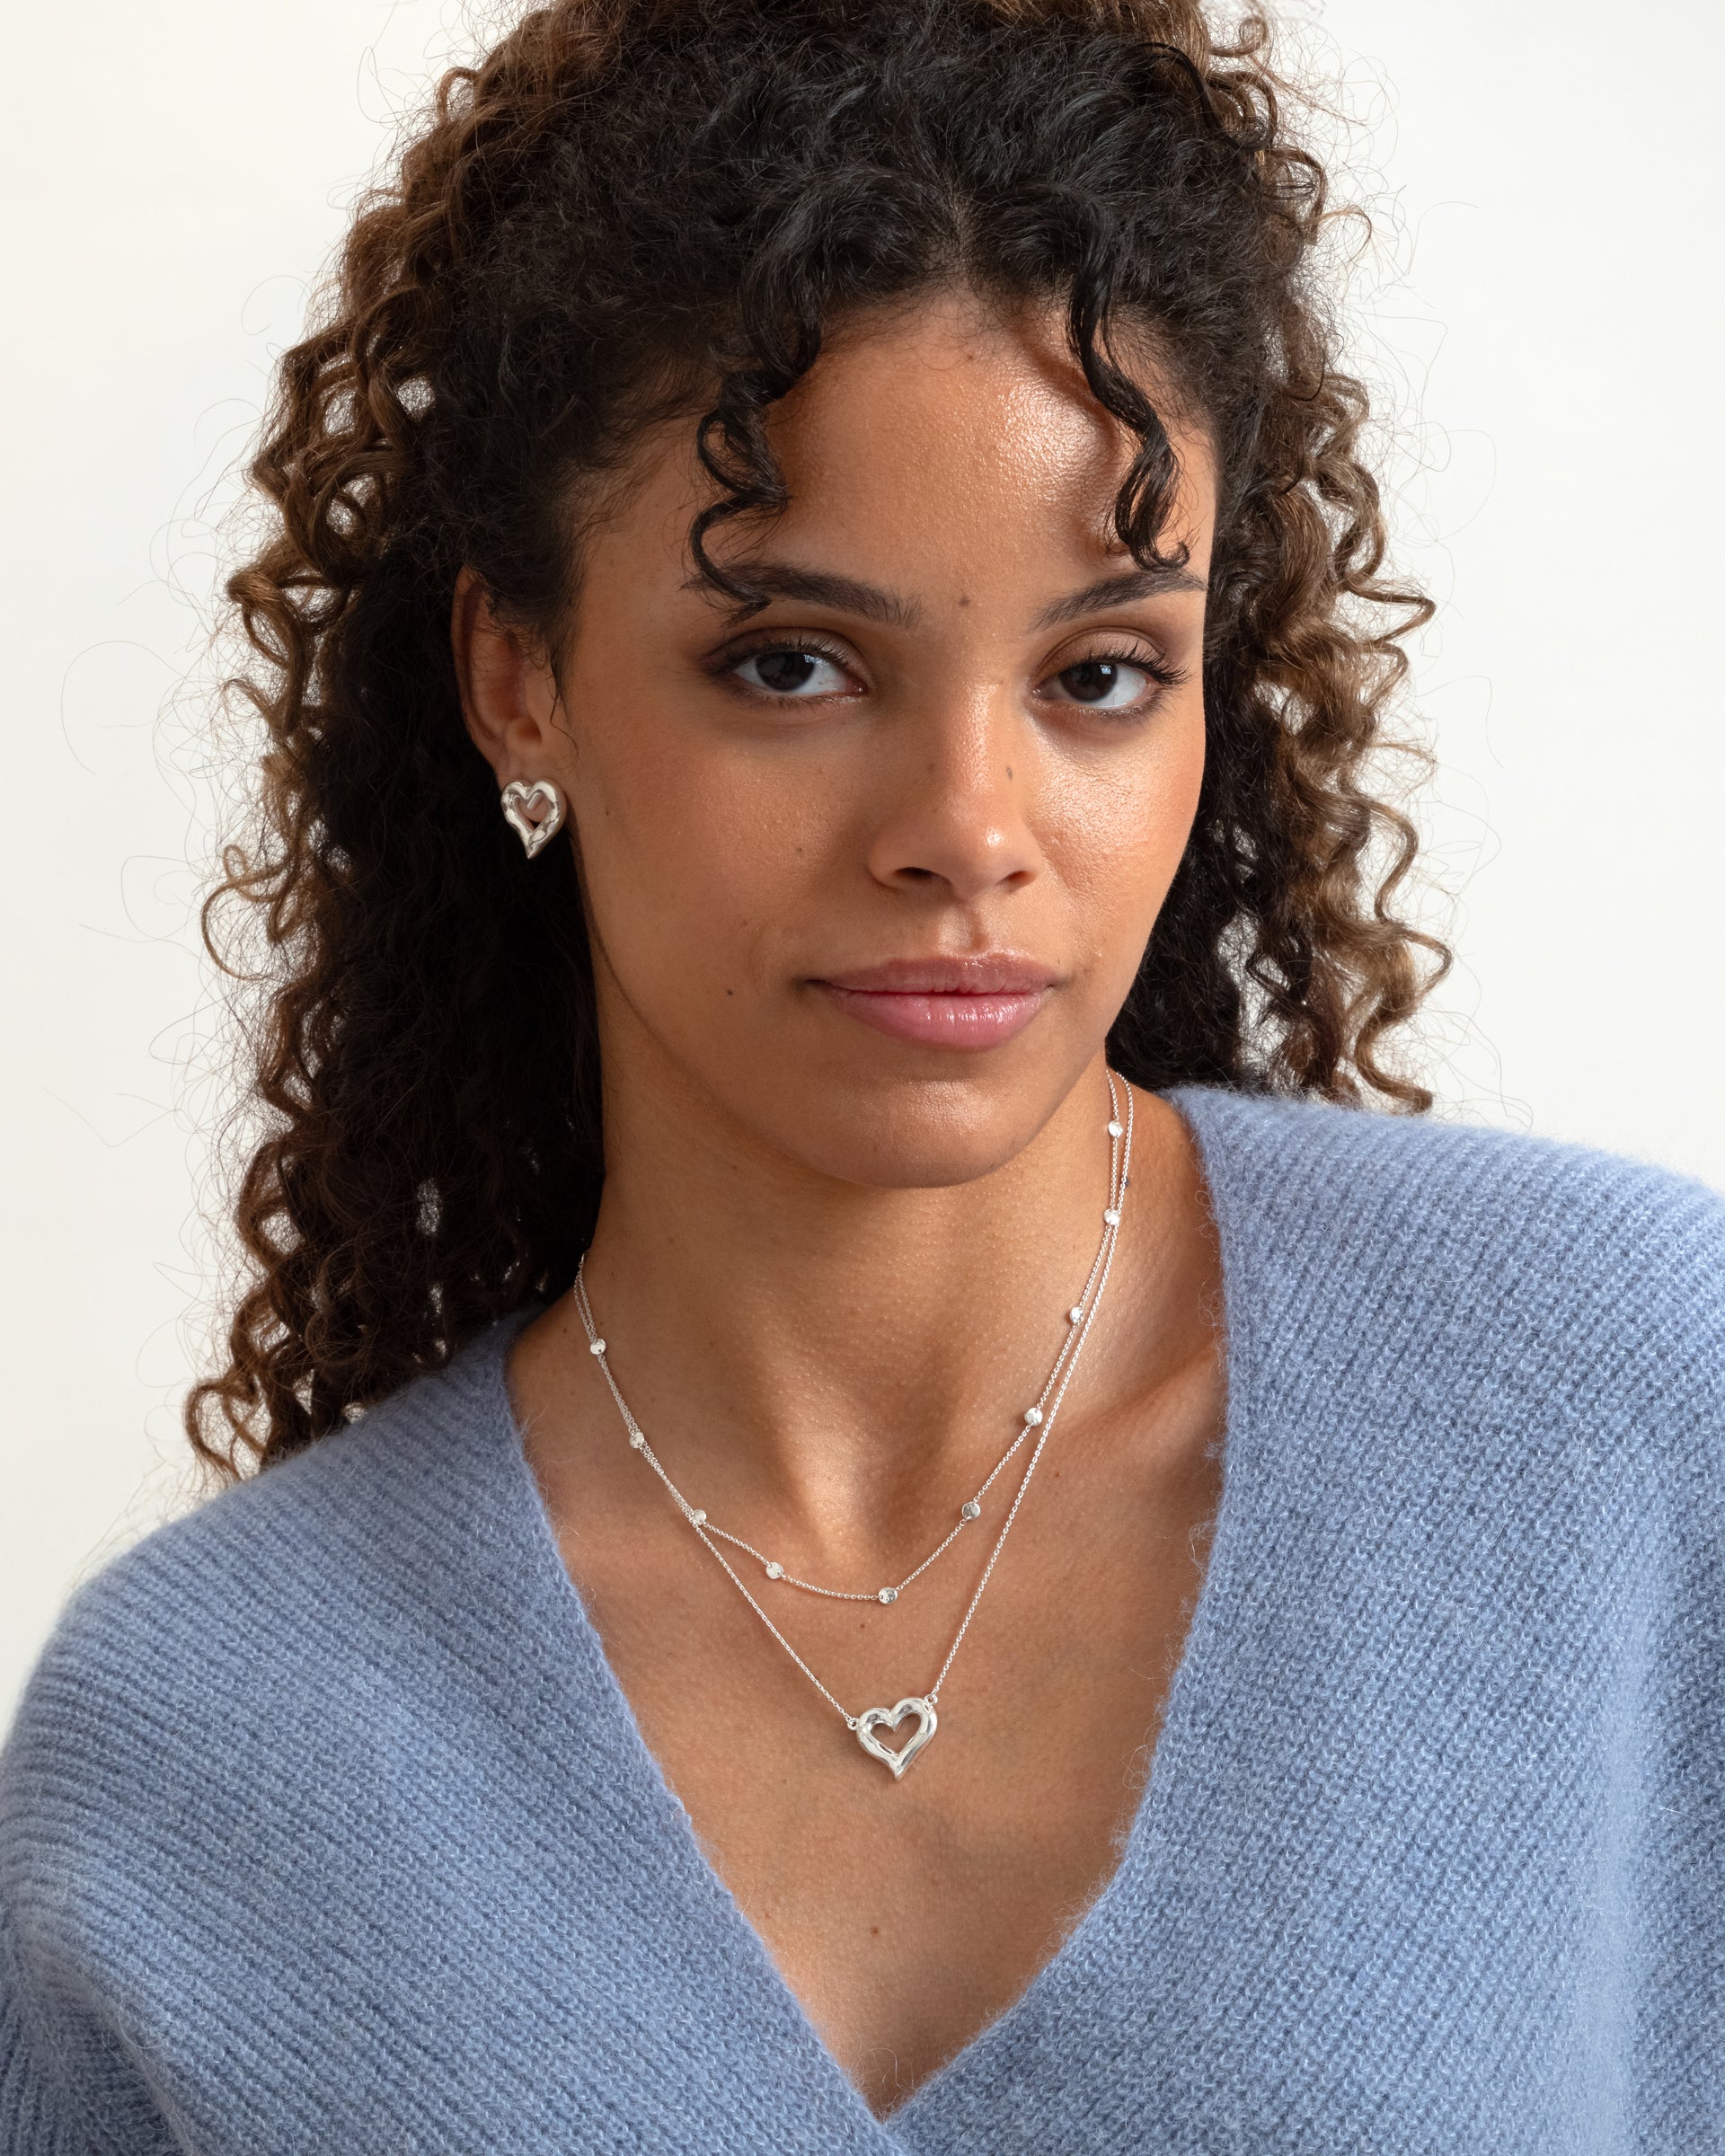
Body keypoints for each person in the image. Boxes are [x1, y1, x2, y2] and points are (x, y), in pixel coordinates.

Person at [2, 0, 1720, 2147]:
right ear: (519, 681)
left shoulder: (1637, 1419)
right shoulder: (200, 1754)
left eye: (1101, 675)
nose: (968, 824)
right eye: (793, 663)